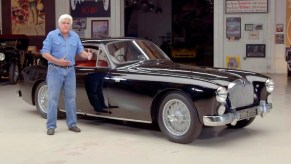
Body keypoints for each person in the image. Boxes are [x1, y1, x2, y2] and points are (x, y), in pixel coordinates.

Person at [40, 14, 92, 135]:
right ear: (59, 24)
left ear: (70, 25)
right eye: (64, 23)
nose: (66, 25)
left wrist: (87, 55)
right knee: (52, 99)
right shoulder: (52, 35)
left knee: (71, 98)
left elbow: (81, 51)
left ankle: (72, 124)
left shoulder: (74, 36)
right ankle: (51, 126)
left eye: (68, 23)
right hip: (55, 70)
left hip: (70, 71)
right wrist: (58, 61)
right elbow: (44, 52)